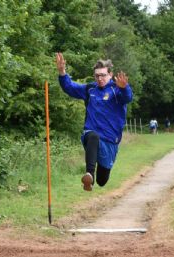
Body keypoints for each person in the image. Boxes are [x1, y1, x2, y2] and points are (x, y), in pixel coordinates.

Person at [55, 52, 133, 191]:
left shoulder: (117, 90)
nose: (100, 78)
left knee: (102, 181)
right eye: (97, 75)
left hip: (110, 140)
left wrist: (124, 87)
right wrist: (62, 73)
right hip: (91, 134)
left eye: (103, 75)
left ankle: (96, 177)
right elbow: (70, 87)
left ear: (110, 75)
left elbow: (127, 98)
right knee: (92, 135)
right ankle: (89, 175)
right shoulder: (90, 89)